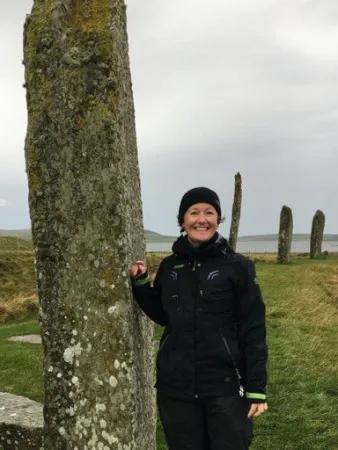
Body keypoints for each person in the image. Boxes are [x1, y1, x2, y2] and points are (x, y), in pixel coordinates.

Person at [129, 187, 268, 450]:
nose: (201, 219)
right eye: (193, 213)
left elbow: (253, 328)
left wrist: (256, 387)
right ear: (182, 221)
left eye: (209, 212)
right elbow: (163, 314)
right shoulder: (171, 267)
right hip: (176, 386)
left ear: (218, 219)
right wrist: (140, 283)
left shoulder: (238, 267)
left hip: (225, 385)